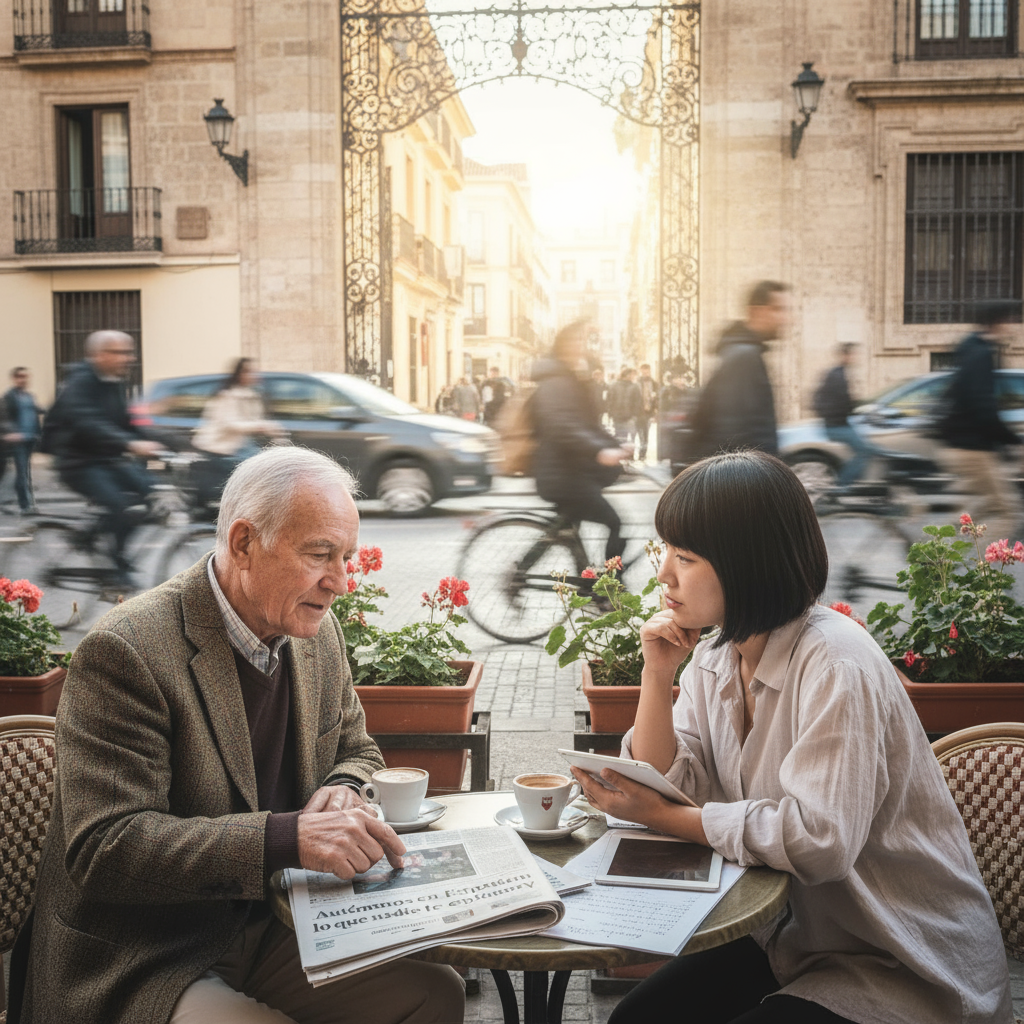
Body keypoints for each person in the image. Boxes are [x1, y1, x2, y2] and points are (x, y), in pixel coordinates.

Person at [7, 446, 465, 1024]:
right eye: (321, 554)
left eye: (346, 556)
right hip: (146, 952)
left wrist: (346, 788)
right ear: (244, 543)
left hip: (272, 923)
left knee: (435, 992)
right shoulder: (126, 650)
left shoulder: (312, 630)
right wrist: (287, 839)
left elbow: (356, 748)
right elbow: (106, 849)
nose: (342, 583)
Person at [570, 451, 1011, 1024]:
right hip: (791, 938)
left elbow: (820, 841)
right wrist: (656, 675)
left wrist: (665, 818)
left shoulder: (835, 664)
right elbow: (675, 780)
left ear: (746, 564)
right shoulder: (714, 656)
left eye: (686, 557)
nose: (663, 576)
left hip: (903, 961)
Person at [48, 330, 162, 588]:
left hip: (106, 459)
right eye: (120, 352)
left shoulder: (113, 382)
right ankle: (116, 565)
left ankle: (90, 535)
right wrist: (129, 443)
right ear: (99, 354)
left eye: (129, 352)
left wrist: (166, 442)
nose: (128, 358)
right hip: (77, 463)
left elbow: (127, 422)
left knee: (149, 493)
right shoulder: (79, 382)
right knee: (119, 506)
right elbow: (86, 421)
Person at [531, 321, 632, 562]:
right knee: (614, 523)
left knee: (564, 531)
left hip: (568, 473)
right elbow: (563, 426)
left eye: (582, 341)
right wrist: (600, 452)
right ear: (563, 345)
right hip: (563, 476)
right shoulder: (556, 381)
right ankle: (610, 589)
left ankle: (585, 587)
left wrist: (614, 447)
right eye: (575, 341)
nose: (581, 346)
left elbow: (588, 425)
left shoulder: (567, 378)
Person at [936, 300, 1023, 539]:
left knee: (978, 510)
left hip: (962, 444)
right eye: (1012, 320)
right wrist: (1014, 442)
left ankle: (933, 552)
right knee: (1007, 511)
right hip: (971, 447)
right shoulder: (981, 354)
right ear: (1000, 322)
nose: (1015, 326)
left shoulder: (972, 347)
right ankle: (979, 572)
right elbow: (983, 407)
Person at [687, 281, 790, 462]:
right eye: (777, 309)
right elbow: (733, 432)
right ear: (756, 311)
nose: (785, 318)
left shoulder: (745, 353)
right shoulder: (744, 357)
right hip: (746, 477)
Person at [191, 357, 285, 509]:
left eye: (254, 371)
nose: (254, 375)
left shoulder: (251, 394)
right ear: (240, 374)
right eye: (249, 371)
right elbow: (229, 424)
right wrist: (260, 426)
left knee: (266, 464)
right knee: (258, 469)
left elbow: (256, 419)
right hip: (221, 445)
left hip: (238, 442)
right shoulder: (227, 395)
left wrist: (272, 431)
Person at [812, 342, 884, 492]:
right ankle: (843, 486)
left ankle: (855, 483)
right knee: (865, 451)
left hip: (837, 423)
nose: (855, 358)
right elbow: (843, 402)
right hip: (837, 425)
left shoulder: (837, 373)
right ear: (845, 355)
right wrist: (858, 408)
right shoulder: (838, 375)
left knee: (865, 448)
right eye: (852, 354)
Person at [1, 367, 42, 514]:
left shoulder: (30, 397)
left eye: (24, 376)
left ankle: (29, 503)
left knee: (26, 473)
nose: (22, 379)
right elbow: (4, 417)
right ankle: (25, 505)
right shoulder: (9, 396)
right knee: (22, 473)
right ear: (14, 378)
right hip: (18, 440)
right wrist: (11, 433)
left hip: (30, 439)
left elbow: (36, 413)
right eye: (19, 376)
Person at [607, 367, 642, 448]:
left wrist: (611, 413)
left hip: (619, 416)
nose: (633, 377)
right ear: (627, 375)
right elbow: (637, 402)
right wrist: (635, 415)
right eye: (632, 375)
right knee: (630, 437)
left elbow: (610, 401)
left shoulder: (613, 385)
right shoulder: (634, 386)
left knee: (621, 437)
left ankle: (622, 455)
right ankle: (628, 456)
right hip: (628, 416)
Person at [635, 363, 658, 461]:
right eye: (643, 371)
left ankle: (642, 454)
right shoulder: (636, 382)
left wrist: (655, 411)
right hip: (638, 412)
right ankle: (635, 454)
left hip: (649, 412)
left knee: (645, 434)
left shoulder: (654, 383)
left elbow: (657, 398)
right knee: (639, 433)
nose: (645, 373)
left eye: (647, 371)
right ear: (641, 371)